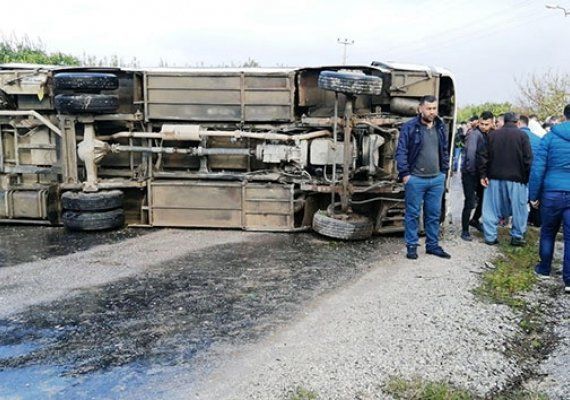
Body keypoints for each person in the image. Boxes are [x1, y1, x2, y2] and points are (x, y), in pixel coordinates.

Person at [396, 95, 451, 260]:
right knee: (412, 214)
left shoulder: (441, 127)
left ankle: (432, 245)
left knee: (433, 214)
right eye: (429, 108)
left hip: (436, 179)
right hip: (416, 179)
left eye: (434, 108)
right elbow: (401, 151)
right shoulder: (410, 127)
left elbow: (445, 150)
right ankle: (411, 246)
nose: (432, 112)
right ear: (420, 108)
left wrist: (444, 172)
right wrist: (405, 175)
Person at [529, 104, 570, 294]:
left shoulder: (550, 137)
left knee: (548, 231)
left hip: (552, 192)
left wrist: (533, 196)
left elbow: (538, 169)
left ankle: (544, 269)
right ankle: (568, 280)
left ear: (564, 116)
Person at [479, 112, 532, 246]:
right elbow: (528, 159)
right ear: (517, 122)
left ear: (503, 122)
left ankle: (490, 237)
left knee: (490, 208)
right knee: (519, 209)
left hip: (494, 177)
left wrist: (483, 175)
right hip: (516, 178)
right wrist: (525, 178)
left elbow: (483, 157)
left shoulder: (492, 135)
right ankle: (517, 237)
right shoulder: (522, 136)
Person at [460, 111, 493, 240]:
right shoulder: (475, 134)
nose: (484, 126)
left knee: (483, 199)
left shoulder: (486, 134)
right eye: (482, 124)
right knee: (469, 201)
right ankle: (464, 230)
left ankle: (474, 220)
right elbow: (470, 154)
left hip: (480, 174)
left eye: (487, 124)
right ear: (478, 122)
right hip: (470, 173)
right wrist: (473, 172)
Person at [519, 115, 542, 227]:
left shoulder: (516, 138)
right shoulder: (539, 140)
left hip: (517, 176)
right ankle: (534, 222)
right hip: (534, 175)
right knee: (533, 202)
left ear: (518, 123)